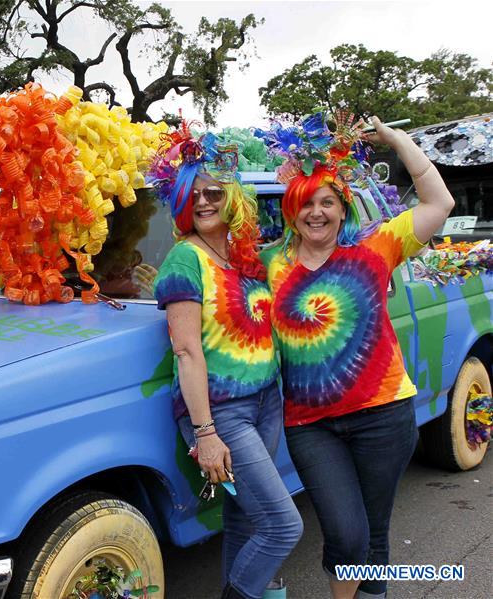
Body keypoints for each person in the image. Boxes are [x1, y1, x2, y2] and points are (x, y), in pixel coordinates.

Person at [259, 114, 455, 599]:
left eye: (327, 202)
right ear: (291, 211)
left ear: (343, 210)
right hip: (310, 425)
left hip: (384, 416)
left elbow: (440, 202)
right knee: (346, 533)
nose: (317, 212)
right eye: (306, 203)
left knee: (373, 532)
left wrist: (398, 140)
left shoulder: (376, 247)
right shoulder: (269, 264)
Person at [148, 125, 303, 599]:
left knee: (244, 517)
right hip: (223, 412)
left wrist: (298, 176)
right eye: (191, 195)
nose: (203, 202)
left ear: (233, 196)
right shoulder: (184, 260)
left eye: (214, 192)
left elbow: (312, 234)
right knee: (282, 525)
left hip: (266, 402)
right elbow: (187, 350)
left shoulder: (243, 258)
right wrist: (206, 434)